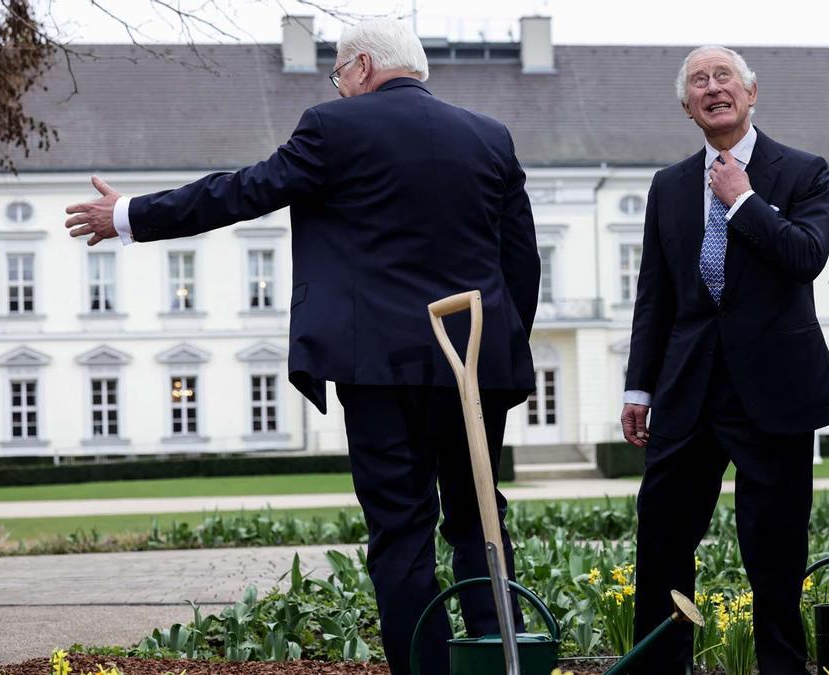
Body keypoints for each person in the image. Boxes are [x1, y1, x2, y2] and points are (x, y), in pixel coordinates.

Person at [63, 18, 539, 675]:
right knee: (480, 518)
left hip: (379, 366)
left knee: (401, 533)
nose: (338, 86)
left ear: (365, 66)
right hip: (475, 361)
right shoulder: (490, 137)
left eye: (340, 72)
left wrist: (130, 215)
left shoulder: (333, 128)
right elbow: (521, 259)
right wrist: (504, 351)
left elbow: (245, 191)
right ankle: (500, 662)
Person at [620, 45, 829, 674]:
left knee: (774, 547)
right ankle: (659, 667)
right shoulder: (668, 186)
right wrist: (639, 388)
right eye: (699, 81)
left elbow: (807, 257)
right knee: (663, 538)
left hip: (773, 390)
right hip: (686, 389)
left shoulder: (804, 171)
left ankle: (780, 668)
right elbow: (655, 297)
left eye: (725, 77)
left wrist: (744, 201)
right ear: (686, 106)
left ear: (751, 94)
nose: (712, 88)